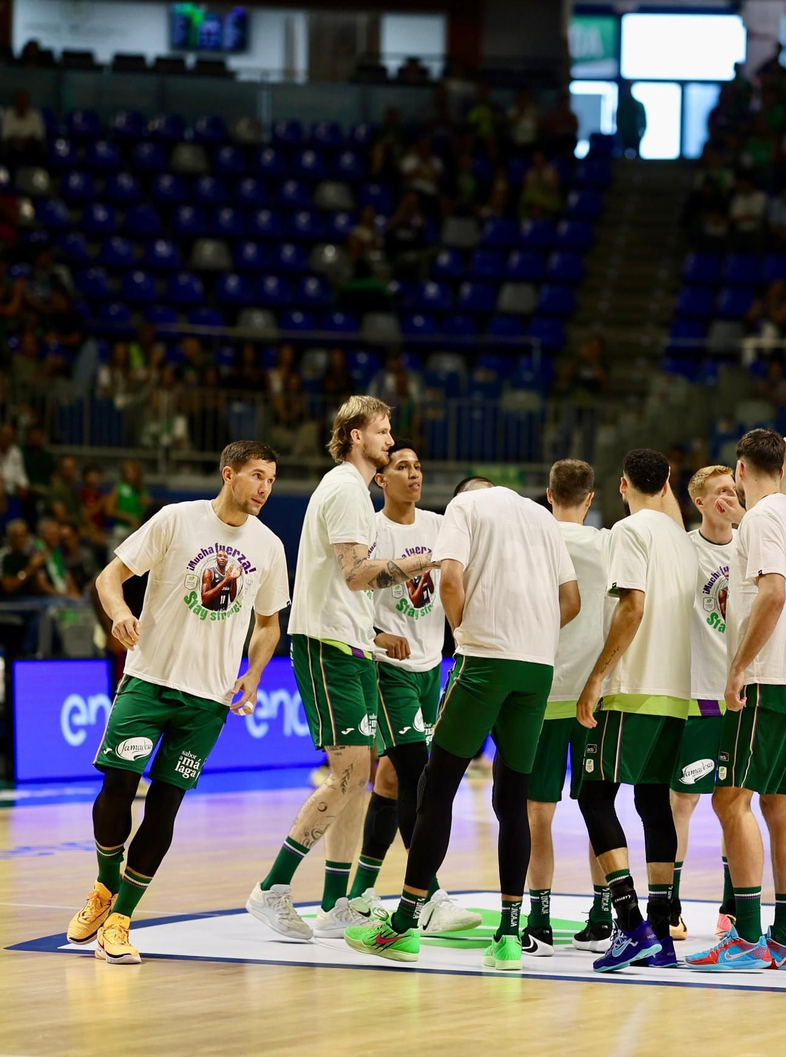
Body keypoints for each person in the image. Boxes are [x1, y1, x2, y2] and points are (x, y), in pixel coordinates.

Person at [64, 442, 288, 965]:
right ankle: (103, 886)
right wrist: (119, 613)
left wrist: (253, 675)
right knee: (118, 785)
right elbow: (108, 578)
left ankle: (120, 920)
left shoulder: (270, 546)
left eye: (272, 480)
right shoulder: (175, 520)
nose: (264, 489)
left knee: (165, 809)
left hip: (207, 701)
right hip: (148, 681)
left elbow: (269, 623)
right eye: (257, 476)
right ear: (228, 473)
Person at [344, 476, 580, 969]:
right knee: (513, 798)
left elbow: (450, 580)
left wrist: (466, 632)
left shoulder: (464, 509)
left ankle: (405, 926)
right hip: (537, 668)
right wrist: (529, 636)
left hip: (486, 659)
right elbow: (571, 599)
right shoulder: (541, 515)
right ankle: (510, 937)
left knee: (436, 787)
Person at [244, 397, 433, 943]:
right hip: (327, 647)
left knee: (360, 778)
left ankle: (336, 903)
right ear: (354, 436)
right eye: (381, 431)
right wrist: (430, 557)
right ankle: (273, 888)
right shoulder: (348, 489)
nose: (389, 440)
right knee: (349, 774)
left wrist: (374, 635)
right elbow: (356, 574)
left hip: (353, 646)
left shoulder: (351, 489)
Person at [684, 429, 786, 971]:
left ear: (740, 471)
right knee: (780, 808)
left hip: (766, 680)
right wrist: (785, 470)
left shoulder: (761, 519)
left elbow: (774, 591)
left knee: (729, 799)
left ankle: (743, 935)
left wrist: (737, 667)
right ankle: (785, 940)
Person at [570, 449, 698, 972]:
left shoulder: (630, 532)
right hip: (676, 691)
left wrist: (597, 676)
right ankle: (663, 930)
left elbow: (633, 605)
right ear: (667, 483)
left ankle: (629, 925)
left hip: (633, 687)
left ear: (623, 485)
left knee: (594, 796)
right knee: (654, 804)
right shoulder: (681, 540)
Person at [340, 446, 468, 936]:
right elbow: (346, 593)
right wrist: (374, 636)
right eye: (401, 466)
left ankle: (362, 893)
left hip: (431, 666)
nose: (413, 473)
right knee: (417, 771)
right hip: (386, 667)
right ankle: (429, 895)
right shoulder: (370, 532)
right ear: (381, 480)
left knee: (392, 778)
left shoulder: (439, 527)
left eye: (418, 466)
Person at [526, 458, 613, 955]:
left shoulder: (534, 543)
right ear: (591, 498)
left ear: (548, 493)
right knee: (596, 809)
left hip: (540, 692)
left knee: (538, 813)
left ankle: (538, 918)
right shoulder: (606, 546)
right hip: (593, 696)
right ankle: (602, 914)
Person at [676, 464, 743, 939]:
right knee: (682, 803)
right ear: (698, 501)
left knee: (734, 804)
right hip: (698, 693)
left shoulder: (754, 545)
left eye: (733, 490)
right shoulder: (683, 549)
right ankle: (671, 905)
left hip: (743, 695)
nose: (728, 497)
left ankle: (733, 905)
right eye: (718, 492)